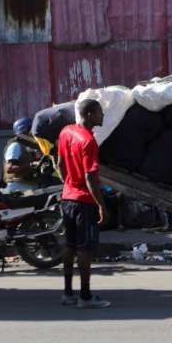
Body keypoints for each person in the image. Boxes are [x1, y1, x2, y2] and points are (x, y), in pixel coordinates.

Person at [58, 99, 111, 309]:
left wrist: (68, 184)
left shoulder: (66, 132)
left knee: (70, 246)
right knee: (84, 249)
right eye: (99, 112)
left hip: (68, 198)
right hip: (83, 202)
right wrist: (101, 205)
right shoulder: (88, 141)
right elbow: (91, 178)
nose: (103, 116)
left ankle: (68, 293)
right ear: (89, 114)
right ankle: (85, 297)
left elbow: (60, 163)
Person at [2, 118, 38, 194]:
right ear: (25, 130)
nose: (33, 132)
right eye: (31, 129)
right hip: (17, 188)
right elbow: (10, 168)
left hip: (28, 186)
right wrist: (31, 165)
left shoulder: (28, 145)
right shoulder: (16, 145)